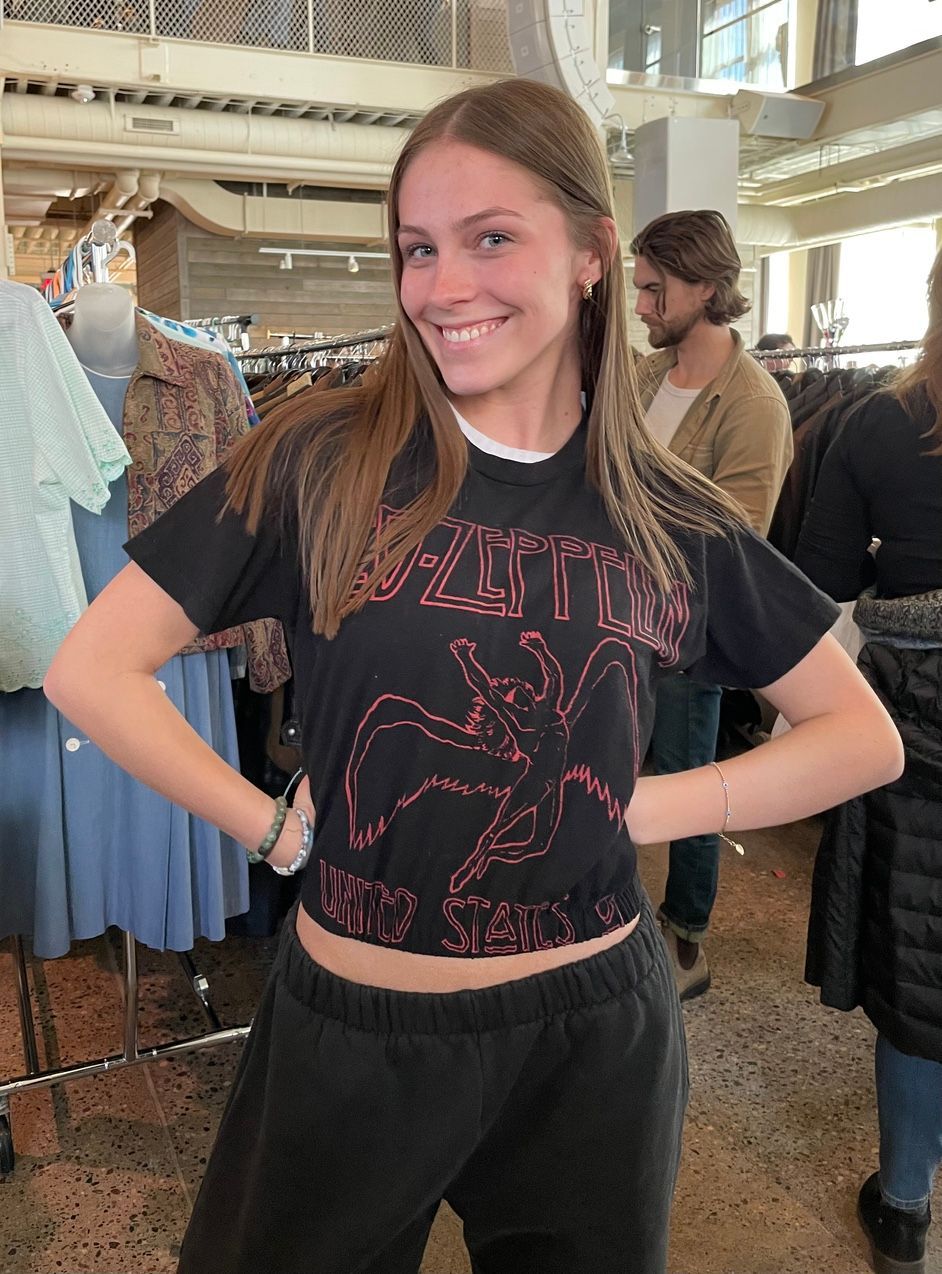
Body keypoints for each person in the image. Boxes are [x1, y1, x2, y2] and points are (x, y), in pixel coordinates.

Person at [44, 79, 902, 1274]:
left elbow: (860, 735)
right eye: (418, 248)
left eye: (491, 238)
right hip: (355, 1027)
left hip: (594, 1031)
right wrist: (268, 824)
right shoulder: (319, 459)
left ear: (593, 253)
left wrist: (637, 804)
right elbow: (92, 666)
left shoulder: (661, 511)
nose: (445, 285)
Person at [797, 247, 942, 1274]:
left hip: (912, 718)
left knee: (920, 967)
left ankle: (903, 1208)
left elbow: (818, 582)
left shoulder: (878, 425)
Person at [632, 209, 794, 1000]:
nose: (641, 306)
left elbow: (738, 540)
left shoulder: (753, 403)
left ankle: (686, 937)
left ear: (703, 287)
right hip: (619, 617)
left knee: (691, 783)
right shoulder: (643, 378)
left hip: (686, 634)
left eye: (655, 289)